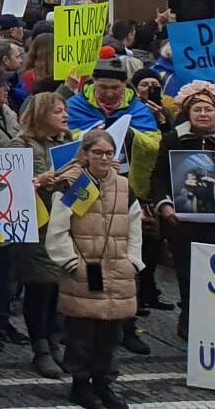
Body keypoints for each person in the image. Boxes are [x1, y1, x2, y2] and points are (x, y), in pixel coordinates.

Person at [45, 130, 142, 409]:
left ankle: (104, 383)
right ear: (86, 154)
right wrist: (71, 262)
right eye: (97, 152)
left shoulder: (124, 186)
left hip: (118, 269)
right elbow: (59, 229)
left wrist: (133, 260)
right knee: (82, 334)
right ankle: (80, 384)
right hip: (85, 270)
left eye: (108, 153)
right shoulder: (77, 186)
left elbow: (135, 226)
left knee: (111, 335)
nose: (103, 158)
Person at [149, 80, 215, 334]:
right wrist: (164, 204)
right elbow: (159, 176)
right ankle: (188, 317)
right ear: (188, 113)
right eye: (197, 110)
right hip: (184, 222)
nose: (203, 114)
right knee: (185, 271)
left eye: (208, 110)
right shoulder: (174, 138)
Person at [14, 91, 79, 378]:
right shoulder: (21, 145)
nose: (65, 116)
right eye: (57, 111)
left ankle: (54, 340)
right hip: (37, 228)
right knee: (39, 288)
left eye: (65, 110)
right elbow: (9, 190)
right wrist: (38, 183)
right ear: (41, 115)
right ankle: (40, 347)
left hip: (63, 225)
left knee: (58, 288)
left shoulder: (69, 144)